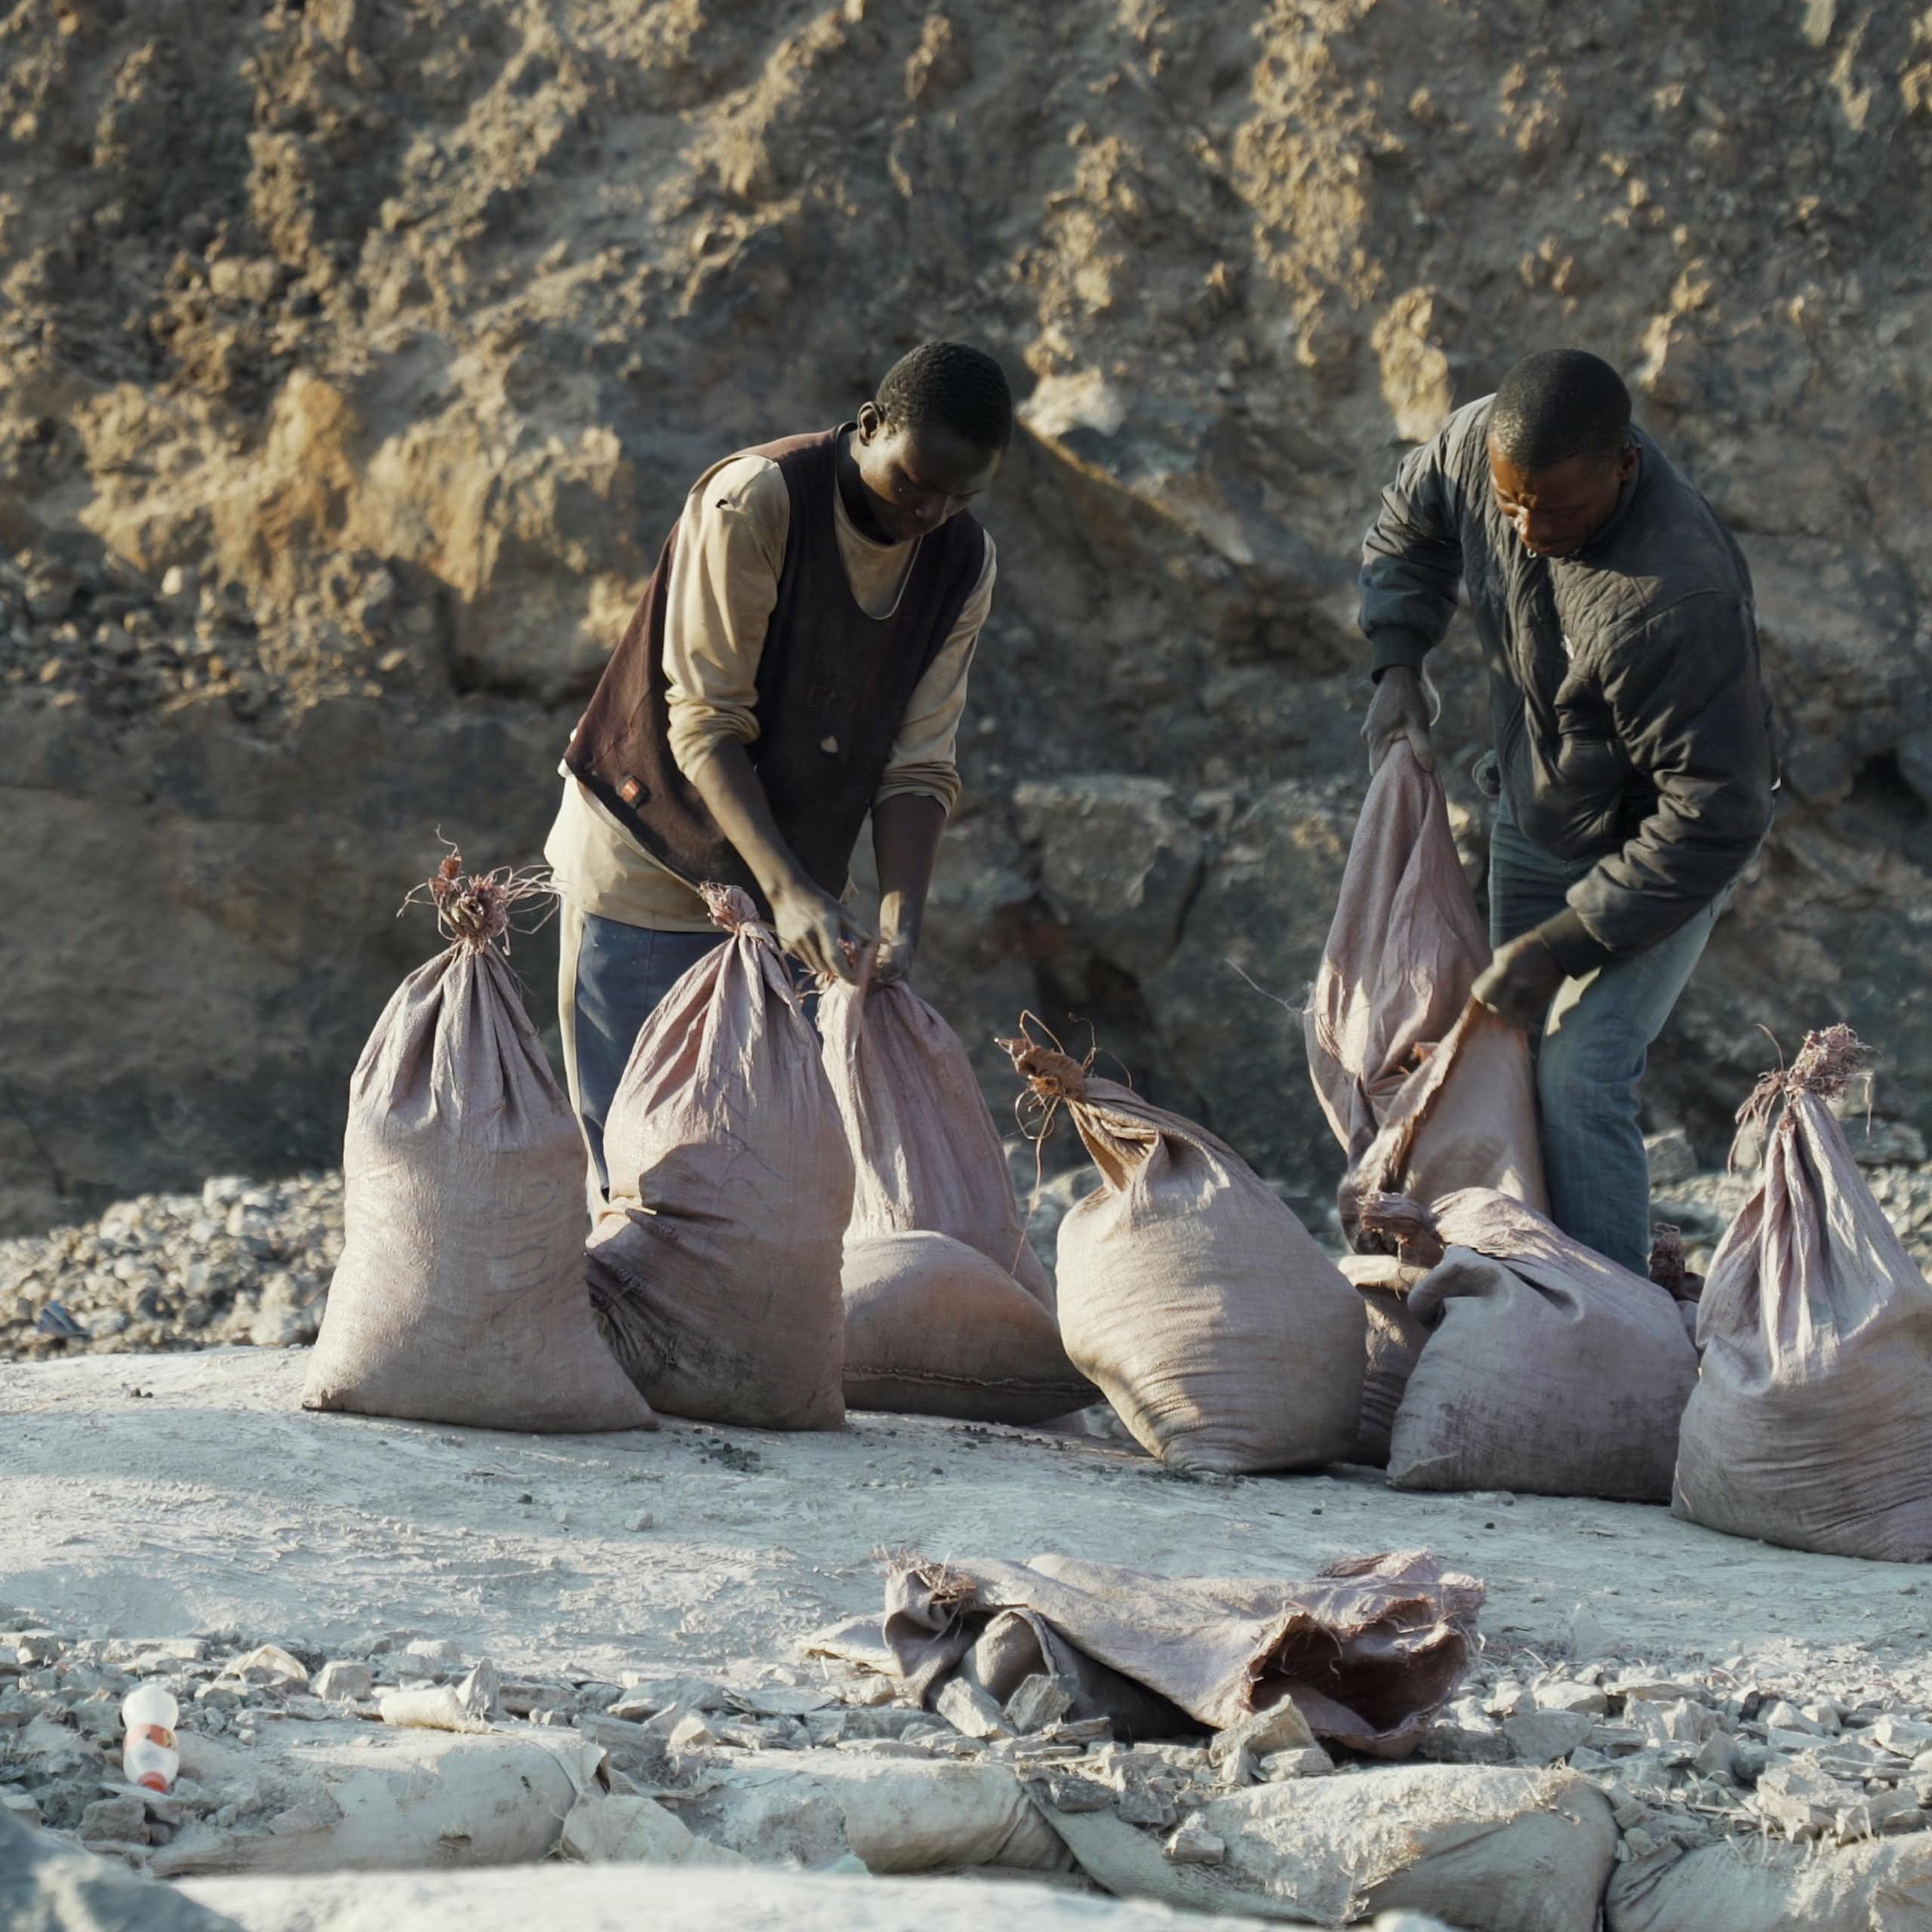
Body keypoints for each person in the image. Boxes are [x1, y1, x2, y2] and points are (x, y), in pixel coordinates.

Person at [546, 340, 1012, 1195]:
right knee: (641, 1184)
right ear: (869, 428)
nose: (929, 512)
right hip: (652, 871)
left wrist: (902, 912)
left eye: (957, 496)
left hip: (784, 897)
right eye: (912, 482)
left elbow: (918, 764)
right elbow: (703, 723)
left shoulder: (961, 563)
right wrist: (792, 890)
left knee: (760, 1188)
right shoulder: (759, 499)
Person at [1357, 348, 1775, 1276]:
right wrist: (1396, 660)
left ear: (1623, 464)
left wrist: (1562, 945)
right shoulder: (1477, 450)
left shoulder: (1675, 596)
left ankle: (1611, 1334)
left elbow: (1714, 811)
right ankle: (1524, 1290)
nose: (1529, 526)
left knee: (1581, 1070)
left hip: (1660, 850)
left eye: (1559, 510)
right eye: (1513, 505)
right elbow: (1406, 528)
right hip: (1540, 816)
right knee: (1509, 1054)